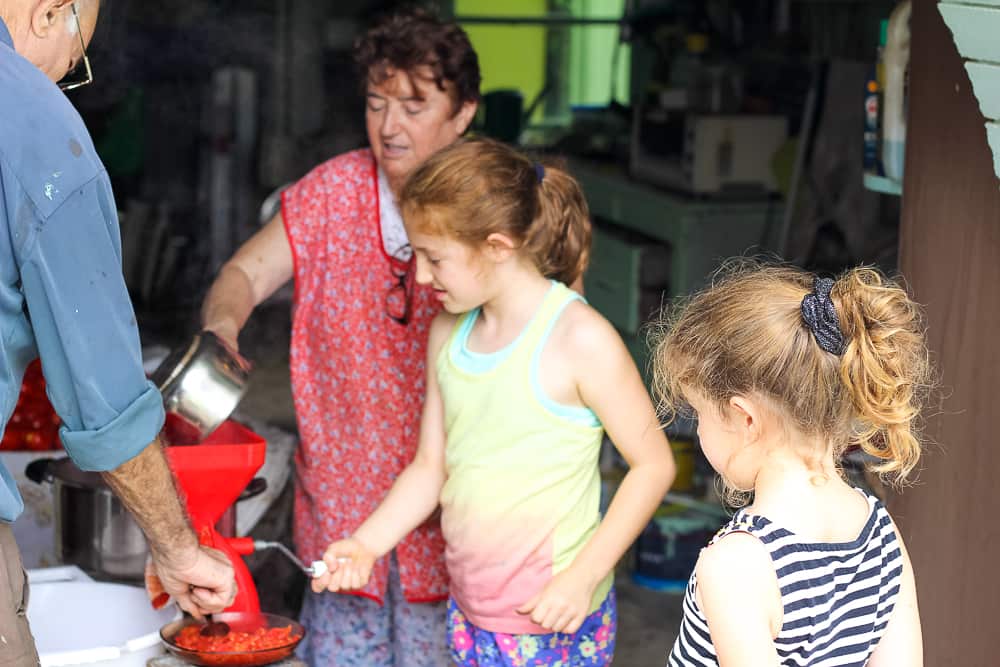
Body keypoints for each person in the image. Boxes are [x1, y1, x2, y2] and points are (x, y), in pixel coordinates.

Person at [313, 138, 677, 667]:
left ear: (498, 246)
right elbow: (430, 467)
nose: (420, 276)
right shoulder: (448, 334)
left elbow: (654, 465)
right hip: (470, 611)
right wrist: (367, 544)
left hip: (553, 617)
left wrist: (582, 578)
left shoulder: (580, 339)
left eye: (434, 257)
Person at [199, 8, 480, 666]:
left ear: (464, 111)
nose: (390, 126)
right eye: (377, 103)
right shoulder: (331, 193)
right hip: (343, 516)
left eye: (414, 106)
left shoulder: (491, 207)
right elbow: (243, 271)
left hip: (462, 528)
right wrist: (222, 322)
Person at [0, 0, 237, 661]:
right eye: (73, 69)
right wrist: (179, 548)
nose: (61, 86)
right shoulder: (31, 121)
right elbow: (104, 404)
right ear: (50, 12)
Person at [653, 263, 927, 666]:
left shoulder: (735, 563)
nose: (698, 433)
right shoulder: (882, 534)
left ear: (745, 419)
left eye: (699, 414)